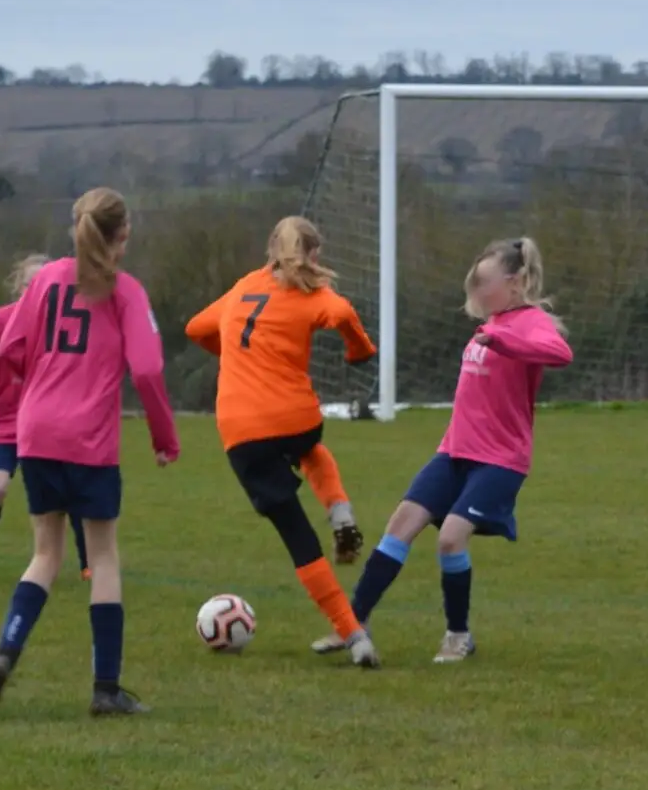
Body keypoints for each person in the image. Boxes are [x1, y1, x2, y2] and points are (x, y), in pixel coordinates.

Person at [0, 188, 180, 716]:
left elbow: (11, 345)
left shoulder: (44, 278)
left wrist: (42, 383)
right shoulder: (125, 292)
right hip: (89, 440)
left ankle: (5, 653)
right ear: (123, 236)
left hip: (36, 434)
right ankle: (106, 689)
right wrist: (163, 437)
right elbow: (149, 370)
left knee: (45, 554)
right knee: (102, 556)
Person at [312, 236, 573, 664]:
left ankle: (458, 635)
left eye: (483, 282)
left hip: (499, 461)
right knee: (399, 527)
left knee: (451, 539)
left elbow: (560, 352)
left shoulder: (528, 322)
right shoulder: (489, 325)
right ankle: (353, 624)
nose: (475, 290)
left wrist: (507, 343)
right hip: (454, 453)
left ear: (516, 282)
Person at [184, 215, 380, 667]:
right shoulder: (312, 291)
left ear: (272, 250)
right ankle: (341, 512)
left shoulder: (242, 287)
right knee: (310, 448)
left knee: (297, 535)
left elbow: (196, 328)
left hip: (242, 430)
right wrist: (359, 350)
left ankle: (354, 637)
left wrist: (233, 351)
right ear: (313, 254)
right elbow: (344, 314)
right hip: (296, 417)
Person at [0, 254, 90, 585]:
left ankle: (89, 564)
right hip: (6, 426)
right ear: (18, 288)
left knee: (70, 490)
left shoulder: (60, 328)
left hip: (47, 423)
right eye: (31, 284)